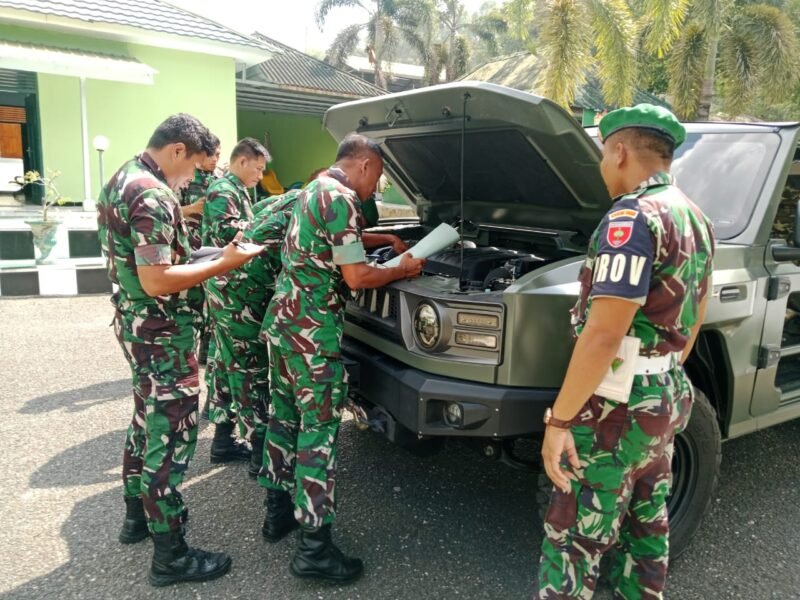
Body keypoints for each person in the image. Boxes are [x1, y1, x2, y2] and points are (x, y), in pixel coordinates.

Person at [535, 105, 715, 599]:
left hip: (614, 409)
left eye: (601, 155)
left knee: (573, 537)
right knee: (646, 528)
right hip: (665, 396)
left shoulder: (632, 218)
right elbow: (696, 309)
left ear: (618, 152)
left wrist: (560, 422)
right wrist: (661, 370)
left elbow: (603, 335)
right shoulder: (694, 217)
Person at [96, 113, 262, 586]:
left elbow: (152, 260)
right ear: (176, 151)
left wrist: (205, 255)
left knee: (145, 420)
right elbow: (157, 279)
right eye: (192, 168)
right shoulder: (152, 193)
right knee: (170, 436)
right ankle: (170, 554)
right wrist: (224, 263)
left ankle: (135, 519)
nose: (192, 180)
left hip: (135, 325)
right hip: (163, 332)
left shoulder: (121, 178)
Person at [259, 134, 423, 584]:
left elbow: (334, 242)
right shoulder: (344, 197)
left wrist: (381, 237)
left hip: (285, 323)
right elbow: (358, 275)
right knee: (318, 430)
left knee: (284, 417)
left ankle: (278, 513)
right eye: (379, 179)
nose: (376, 190)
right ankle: (315, 549)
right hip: (312, 334)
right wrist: (402, 268)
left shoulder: (315, 188)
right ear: (366, 165)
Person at [201, 138, 270, 464]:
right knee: (247, 367)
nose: (260, 175)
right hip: (233, 294)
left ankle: (223, 441)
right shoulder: (223, 192)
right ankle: (259, 450)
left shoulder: (237, 190)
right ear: (242, 161)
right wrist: (272, 225)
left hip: (232, 291)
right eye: (257, 168)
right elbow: (229, 234)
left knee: (224, 364)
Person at [179, 135, 221, 369]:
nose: (215, 160)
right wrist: (191, 209)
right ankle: (187, 357)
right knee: (193, 304)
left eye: (218, 155)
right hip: (190, 252)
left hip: (213, 251)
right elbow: (170, 210)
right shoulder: (186, 178)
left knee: (213, 304)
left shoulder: (220, 180)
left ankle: (207, 355)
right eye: (211, 155)